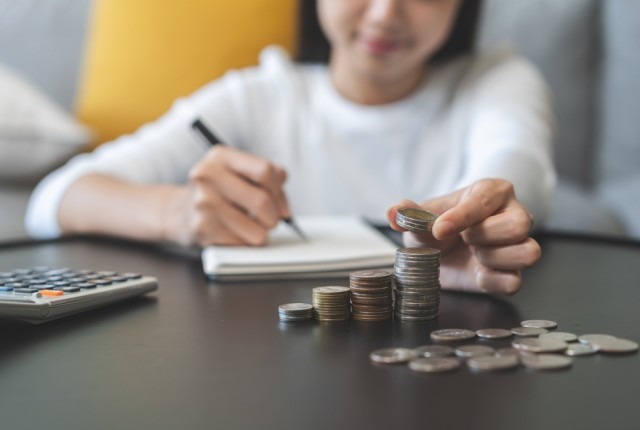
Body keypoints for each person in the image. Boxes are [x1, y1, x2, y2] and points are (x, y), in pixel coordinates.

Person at [25, 0, 555, 295]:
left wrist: (485, 212)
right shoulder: (258, 95)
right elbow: (55, 198)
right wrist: (178, 212)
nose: (385, 14)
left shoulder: (496, 80)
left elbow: (515, 161)